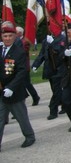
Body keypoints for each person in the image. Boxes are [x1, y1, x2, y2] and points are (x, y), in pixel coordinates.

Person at [0, 22, 36, 151]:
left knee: (21, 117)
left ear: (15, 36)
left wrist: (11, 87)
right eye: (5, 36)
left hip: (14, 92)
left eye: (10, 36)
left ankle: (30, 136)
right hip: (1, 91)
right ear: (2, 37)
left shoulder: (19, 52)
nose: (7, 38)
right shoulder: (1, 50)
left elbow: (21, 72)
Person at [32, 32, 66, 120]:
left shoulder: (63, 39)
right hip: (50, 69)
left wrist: (53, 44)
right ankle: (65, 105)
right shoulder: (45, 41)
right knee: (55, 89)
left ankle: (53, 110)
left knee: (57, 90)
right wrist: (36, 64)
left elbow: (61, 52)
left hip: (59, 69)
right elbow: (42, 54)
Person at [15, 26, 40, 106]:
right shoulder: (16, 41)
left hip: (24, 66)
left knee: (27, 84)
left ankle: (35, 96)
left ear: (19, 33)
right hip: (16, 66)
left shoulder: (25, 41)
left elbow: (23, 51)